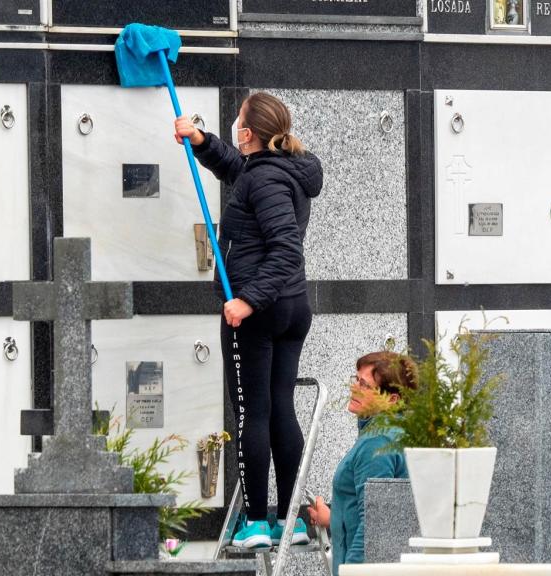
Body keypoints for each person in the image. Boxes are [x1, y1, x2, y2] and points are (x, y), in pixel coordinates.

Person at [174, 92, 323, 549]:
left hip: (259, 311)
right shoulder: (275, 172)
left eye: (237, 122)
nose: (234, 129)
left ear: (250, 133)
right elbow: (235, 170)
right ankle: (291, 518)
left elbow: (284, 249)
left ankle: (258, 521)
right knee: (279, 408)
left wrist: (246, 302)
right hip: (290, 308)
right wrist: (201, 141)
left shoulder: (265, 181)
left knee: (253, 413)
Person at [308, 352, 415, 575]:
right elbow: (377, 509)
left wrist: (353, 572)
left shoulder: (378, 441)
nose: (355, 388)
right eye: (356, 380)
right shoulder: (391, 433)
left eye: (365, 385)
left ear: (392, 400)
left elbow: (373, 528)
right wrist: (332, 518)